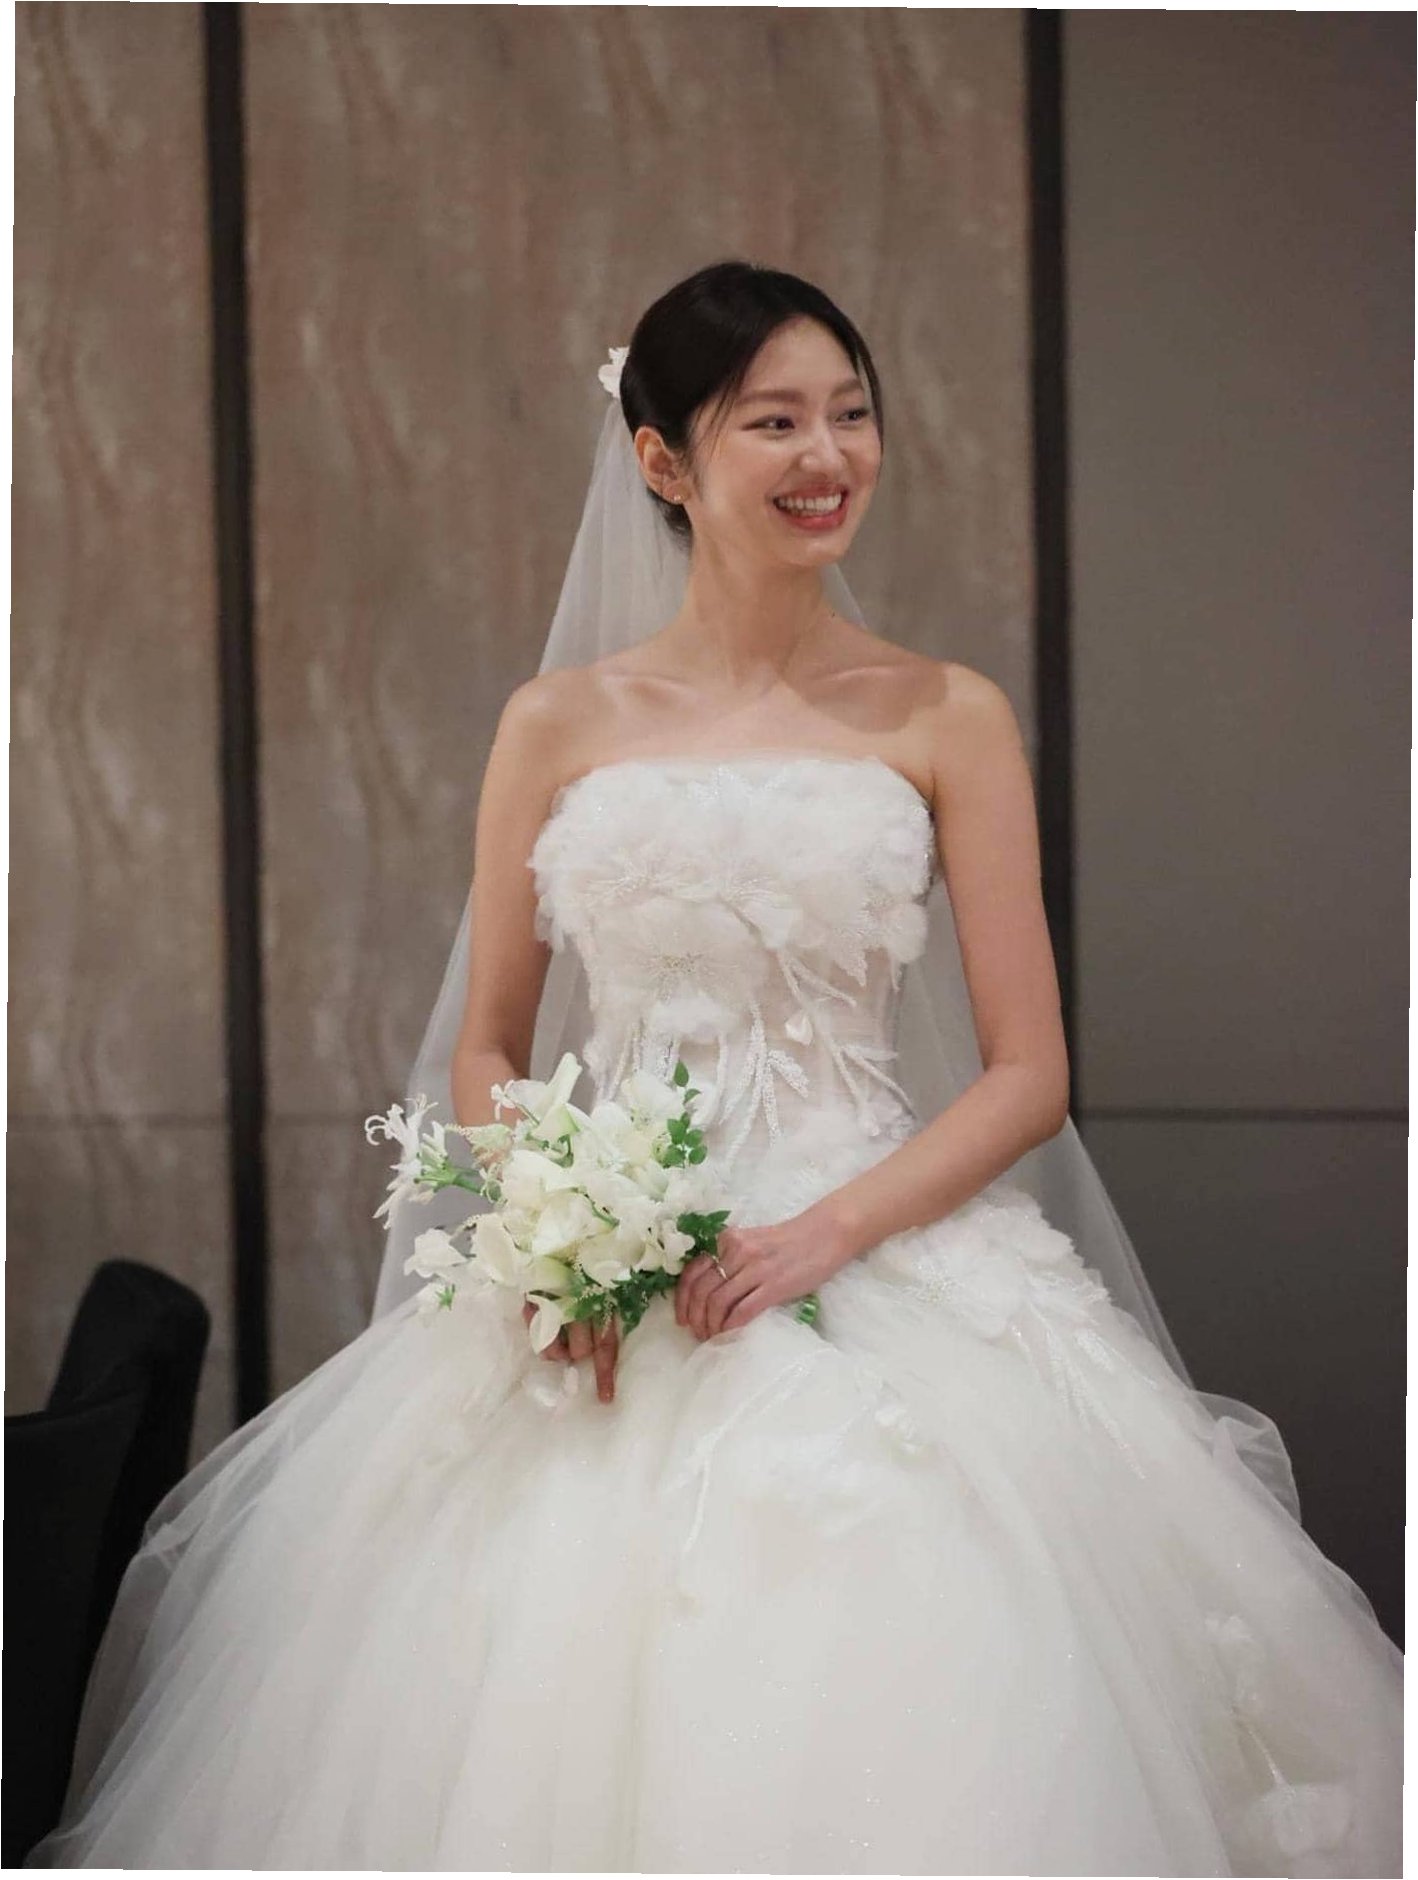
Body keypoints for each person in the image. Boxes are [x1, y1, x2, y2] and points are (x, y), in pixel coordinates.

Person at [28, 261, 1402, 1874]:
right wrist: (544, 1243)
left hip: (874, 1243)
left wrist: (825, 1232)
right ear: (662, 460)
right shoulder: (555, 722)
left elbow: (1027, 1073)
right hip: (612, 1268)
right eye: (774, 422)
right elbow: (488, 1040)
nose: (827, 456)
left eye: (851, 414)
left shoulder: (944, 713)